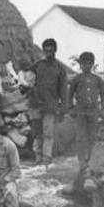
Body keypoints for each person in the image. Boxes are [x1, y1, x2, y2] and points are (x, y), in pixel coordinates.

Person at [67, 51, 104, 193]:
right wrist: (70, 108)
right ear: (80, 65)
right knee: (80, 136)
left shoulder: (98, 79)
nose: (86, 66)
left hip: (94, 111)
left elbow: (103, 93)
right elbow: (70, 94)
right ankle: (81, 160)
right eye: (84, 64)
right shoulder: (76, 79)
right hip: (80, 111)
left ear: (93, 64)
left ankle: (91, 158)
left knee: (93, 136)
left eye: (89, 63)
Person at [29, 38, 68, 166]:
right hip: (35, 103)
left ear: (55, 51)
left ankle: (46, 157)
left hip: (50, 105)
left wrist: (63, 107)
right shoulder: (37, 65)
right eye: (46, 51)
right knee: (36, 133)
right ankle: (37, 157)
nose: (48, 53)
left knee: (48, 133)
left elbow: (63, 89)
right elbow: (27, 80)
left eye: (51, 50)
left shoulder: (60, 68)